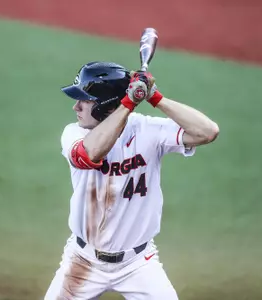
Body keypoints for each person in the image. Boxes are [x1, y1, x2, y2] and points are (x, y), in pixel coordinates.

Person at [45, 61, 219, 299]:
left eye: (84, 100)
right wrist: (128, 103)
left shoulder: (148, 131)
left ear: (103, 105)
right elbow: (89, 155)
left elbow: (207, 132)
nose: (76, 107)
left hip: (138, 263)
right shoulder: (74, 133)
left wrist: (155, 97)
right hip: (83, 260)